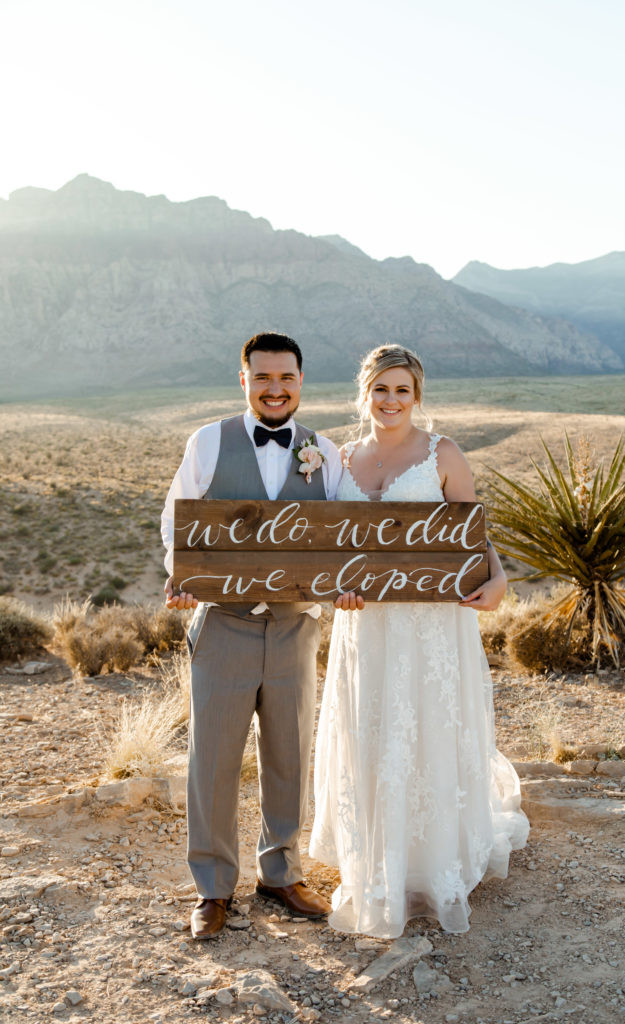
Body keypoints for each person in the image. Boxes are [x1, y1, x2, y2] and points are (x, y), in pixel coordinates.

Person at [310, 344, 529, 939]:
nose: (391, 400)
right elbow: (326, 548)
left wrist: (500, 577)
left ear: (417, 397)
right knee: (373, 729)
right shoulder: (340, 459)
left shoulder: (443, 453)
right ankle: (375, 862)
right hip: (369, 625)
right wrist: (334, 591)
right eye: (381, 389)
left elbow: (472, 531)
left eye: (402, 390)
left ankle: (435, 863)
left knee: (427, 725)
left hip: (431, 625)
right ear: (364, 393)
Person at [161, 332, 346, 940]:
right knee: (212, 759)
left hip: (295, 627)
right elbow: (176, 521)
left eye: (286, 378)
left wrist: (339, 586)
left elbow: (346, 533)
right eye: (263, 378)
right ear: (244, 380)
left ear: (300, 381)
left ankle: (281, 874)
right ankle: (213, 889)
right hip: (223, 625)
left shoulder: (326, 452)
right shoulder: (209, 441)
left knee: (289, 754)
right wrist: (184, 577)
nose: (275, 389)